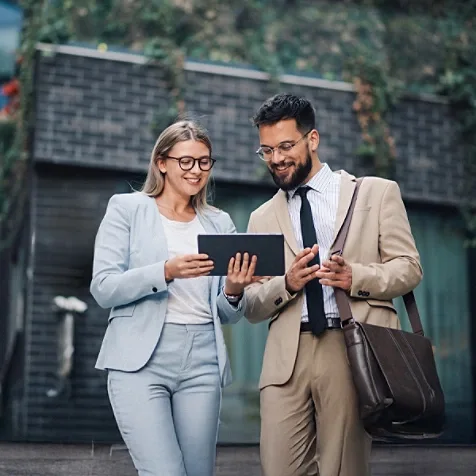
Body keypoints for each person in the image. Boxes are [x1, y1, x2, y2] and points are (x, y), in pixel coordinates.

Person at [243, 93, 423, 476]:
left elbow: (409, 268)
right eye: (266, 150)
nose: (276, 159)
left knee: (343, 467)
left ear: (313, 139)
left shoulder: (375, 193)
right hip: (285, 360)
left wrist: (355, 276)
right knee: (278, 468)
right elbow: (252, 306)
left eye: (286, 146)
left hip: (350, 346)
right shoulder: (261, 217)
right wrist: (286, 284)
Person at [90, 120, 256, 476]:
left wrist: (234, 289)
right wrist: (166, 271)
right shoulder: (127, 209)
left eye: (204, 162)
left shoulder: (219, 222)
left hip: (203, 360)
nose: (196, 171)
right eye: (186, 161)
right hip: (140, 361)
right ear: (162, 162)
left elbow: (226, 313)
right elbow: (103, 287)